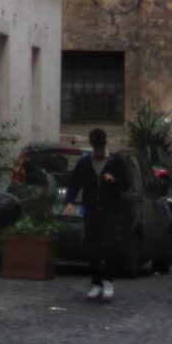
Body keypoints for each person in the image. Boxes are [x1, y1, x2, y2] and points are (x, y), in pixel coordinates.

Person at [64, 129, 129, 302]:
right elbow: (75, 183)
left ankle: (108, 280)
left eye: (100, 148)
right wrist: (70, 201)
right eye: (96, 148)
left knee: (110, 244)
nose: (99, 152)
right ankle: (96, 282)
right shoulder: (85, 162)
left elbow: (126, 184)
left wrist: (114, 180)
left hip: (111, 209)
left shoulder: (116, 161)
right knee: (93, 247)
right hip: (92, 209)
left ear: (104, 145)